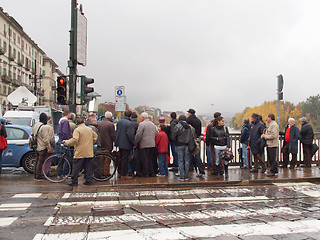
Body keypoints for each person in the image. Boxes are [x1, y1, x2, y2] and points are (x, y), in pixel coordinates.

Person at [65, 116, 98, 186]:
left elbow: (75, 140)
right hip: (89, 151)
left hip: (80, 151)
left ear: (77, 123)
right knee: (88, 166)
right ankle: (89, 180)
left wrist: (67, 142)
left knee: (76, 167)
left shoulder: (77, 130)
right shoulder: (89, 129)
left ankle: (74, 181)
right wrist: (91, 142)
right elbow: (95, 136)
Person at [31, 113, 55, 180]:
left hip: (36, 146)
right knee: (41, 162)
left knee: (37, 160)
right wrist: (49, 148)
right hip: (42, 147)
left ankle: (35, 174)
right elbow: (46, 139)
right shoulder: (43, 127)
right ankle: (39, 175)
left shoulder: (36, 125)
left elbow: (32, 134)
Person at [135, 112, 158, 177]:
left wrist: (135, 142)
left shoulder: (142, 124)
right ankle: (152, 172)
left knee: (145, 159)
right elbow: (156, 133)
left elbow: (139, 134)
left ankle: (146, 172)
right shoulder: (153, 124)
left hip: (144, 144)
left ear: (142, 118)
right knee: (151, 159)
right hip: (152, 144)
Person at [115, 110, 136, 179]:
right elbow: (130, 135)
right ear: (130, 116)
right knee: (125, 159)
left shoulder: (119, 122)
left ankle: (119, 172)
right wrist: (133, 143)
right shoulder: (129, 123)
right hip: (126, 143)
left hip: (119, 143)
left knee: (120, 158)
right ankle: (124, 174)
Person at [171, 115, 192, 181]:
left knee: (180, 161)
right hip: (187, 145)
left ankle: (182, 176)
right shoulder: (189, 127)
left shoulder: (177, 126)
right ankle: (186, 175)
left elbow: (173, 137)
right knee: (187, 161)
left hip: (179, 145)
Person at [186, 108, 205, 178]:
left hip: (190, 140)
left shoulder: (188, 120)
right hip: (197, 140)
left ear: (190, 113)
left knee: (189, 155)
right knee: (197, 155)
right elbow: (199, 132)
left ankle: (189, 169)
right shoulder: (198, 120)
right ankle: (201, 171)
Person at [97, 111, 115, 176]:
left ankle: (101, 172)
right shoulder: (111, 124)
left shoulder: (99, 124)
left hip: (101, 144)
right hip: (108, 144)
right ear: (110, 117)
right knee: (107, 160)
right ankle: (106, 173)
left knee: (101, 159)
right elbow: (113, 135)